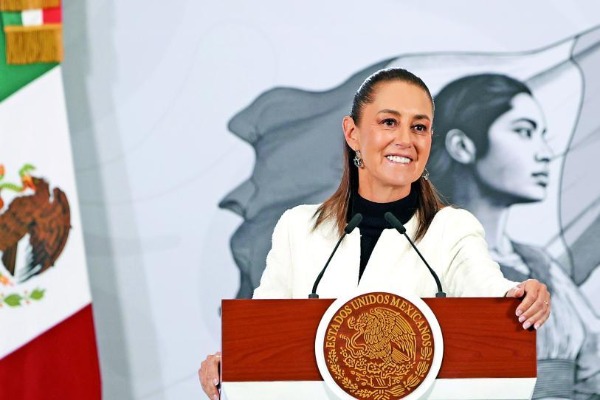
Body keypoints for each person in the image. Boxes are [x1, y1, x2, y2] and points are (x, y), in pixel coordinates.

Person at [199, 68, 551, 399]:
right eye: (389, 122)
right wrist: (231, 363)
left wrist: (522, 297)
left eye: (419, 127)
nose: (405, 140)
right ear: (352, 133)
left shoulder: (453, 228)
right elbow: (265, 332)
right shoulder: (298, 227)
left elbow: (488, 290)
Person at [428, 73, 600, 400]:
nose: (545, 153)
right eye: (524, 132)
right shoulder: (424, 259)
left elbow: (593, 365)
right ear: (462, 146)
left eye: (542, 136)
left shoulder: (539, 262)